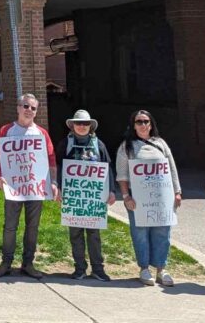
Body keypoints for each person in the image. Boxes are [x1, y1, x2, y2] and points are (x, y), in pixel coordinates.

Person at [0, 93, 58, 279]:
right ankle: (6, 263)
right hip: (13, 187)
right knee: (10, 226)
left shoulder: (41, 133)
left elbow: (51, 160)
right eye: (26, 106)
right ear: (18, 108)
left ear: (36, 112)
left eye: (33, 108)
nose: (29, 110)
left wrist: (53, 182)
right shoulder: (6, 131)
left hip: (36, 188)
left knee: (32, 226)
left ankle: (28, 263)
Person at [116, 110, 182, 287]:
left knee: (163, 231)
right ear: (133, 125)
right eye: (139, 122)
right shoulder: (126, 147)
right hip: (137, 199)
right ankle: (144, 268)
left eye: (146, 121)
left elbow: (172, 168)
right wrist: (125, 196)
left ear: (151, 124)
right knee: (140, 233)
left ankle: (161, 268)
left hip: (162, 197)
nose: (143, 125)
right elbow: (122, 175)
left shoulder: (161, 143)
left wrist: (177, 191)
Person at [56, 109, 116, 282]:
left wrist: (111, 190)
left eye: (85, 124)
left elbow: (107, 168)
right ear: (72, 125)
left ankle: (98, 269)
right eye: (78, 123)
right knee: (75, 234)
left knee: (94, 234)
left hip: (93, 199)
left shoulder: (99, 145)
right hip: (74, 198)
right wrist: (58, 188)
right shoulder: (65, 144)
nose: (82, 126)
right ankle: (79, 268)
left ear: (91, 126)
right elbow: (58, 167)